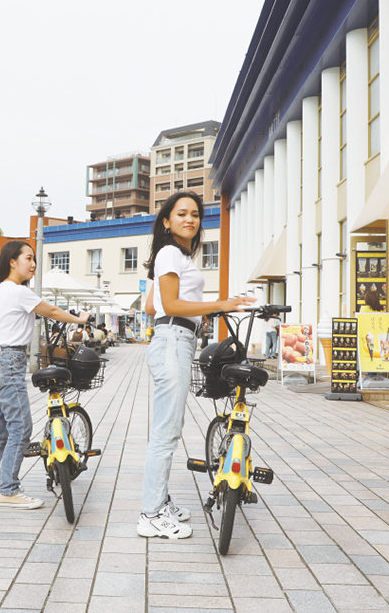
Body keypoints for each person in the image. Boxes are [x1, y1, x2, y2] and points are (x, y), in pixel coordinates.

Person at [138, 192, 255, 540]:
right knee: (165, 432)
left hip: (174, 340)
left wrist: (199, 307)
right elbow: (170, 304)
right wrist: (222, 304)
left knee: (169, 428)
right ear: (166, 221)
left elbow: (151, 305)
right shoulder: (170, 252)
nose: (190, 219)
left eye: (195, 214)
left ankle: (159, 501)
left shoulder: (173, 256)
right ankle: (151, 514)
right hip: (174, 339)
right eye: (181, 213)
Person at [0, 241, 90, 510]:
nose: (32, 264)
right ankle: (9, 490)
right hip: (9, 362)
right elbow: (52, 311)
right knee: (20, 427)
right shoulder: (18, 292)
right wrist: (81, 319)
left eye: (34, 260)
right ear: (12, 261)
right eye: (28, 258)